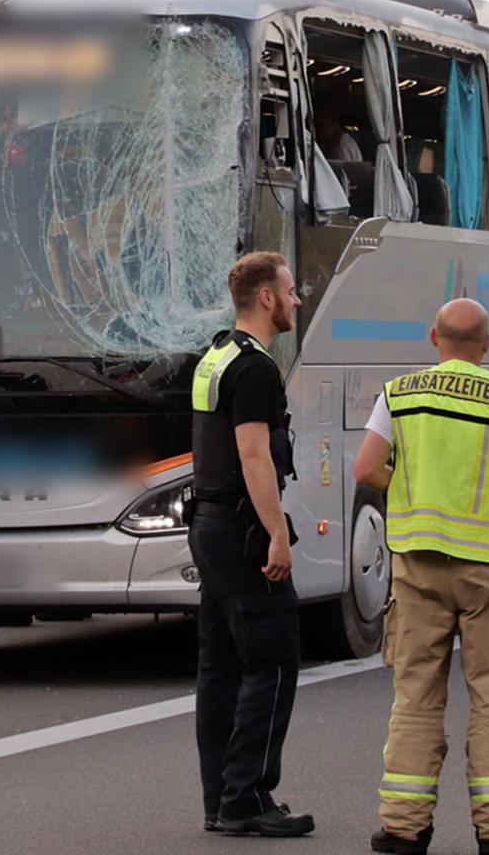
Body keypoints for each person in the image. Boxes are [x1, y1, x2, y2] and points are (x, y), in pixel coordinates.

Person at [354, 298, 489, 855]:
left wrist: (411, 487)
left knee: (415, 693)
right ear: (487, 343)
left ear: (433, 338)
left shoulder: (398, 394)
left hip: (417, 563)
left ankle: (403, 828)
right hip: (488, 565)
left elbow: (366, 468)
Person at [187, 251, 314, 838]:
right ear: (266, 297)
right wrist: (277, 535)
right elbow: (254, 455)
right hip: (241, 531)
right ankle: (248, 795)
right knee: (274, 657)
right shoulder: (257, 367)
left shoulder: (214, 356)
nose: (295, 300)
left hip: (208, 525)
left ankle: (220, 798)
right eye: (289, 291)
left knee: (218, 667)